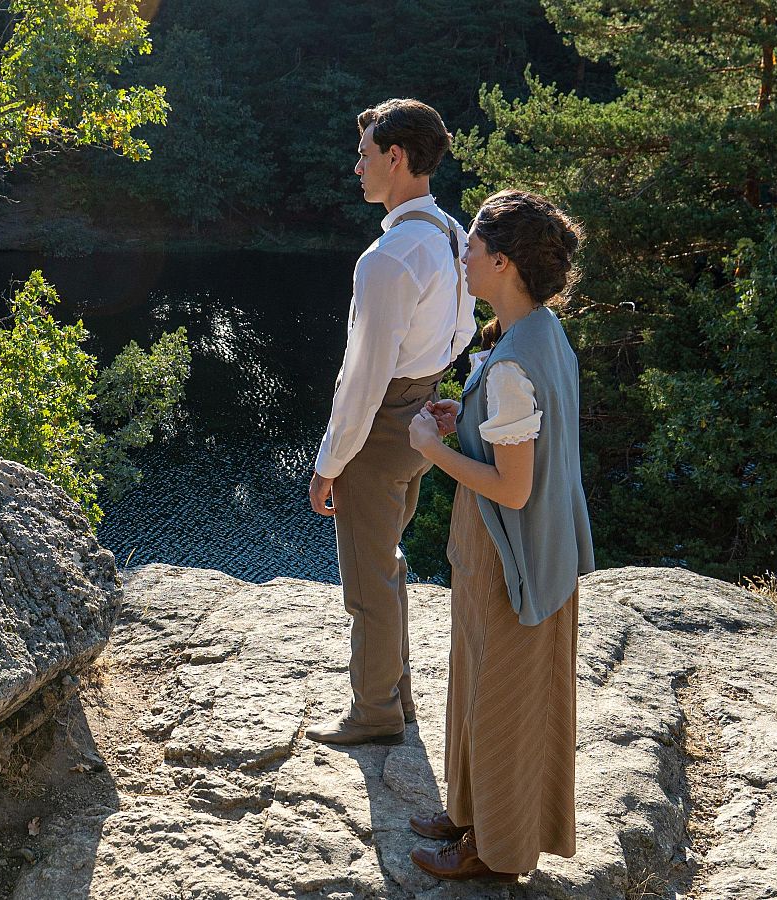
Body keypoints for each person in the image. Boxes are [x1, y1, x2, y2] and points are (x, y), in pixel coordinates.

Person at [404, 189, 595, 880]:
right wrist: (472, 421)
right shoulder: (537, 333)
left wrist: (432, 448)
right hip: (513, 548)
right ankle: (469, 811)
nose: (463, 257)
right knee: (474, 680)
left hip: (508, 554)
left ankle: (493, 850)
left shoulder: (514, 360)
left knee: (502, 701)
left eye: (473, 249)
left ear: (504, 264)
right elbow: (525, 446)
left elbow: (514, 489)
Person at [305, 98, 476, 747]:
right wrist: (428, 383)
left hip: (379, 433)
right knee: (390, 562)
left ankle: (374, 712)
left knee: (368, 580)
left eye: (365, 154)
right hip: (418, 421)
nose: (357, 167)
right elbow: (460, 329)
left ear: (395, 157)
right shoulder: (452, 234)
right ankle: (396, 699)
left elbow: (361, 381)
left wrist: (329, 463)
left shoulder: (387, 259)